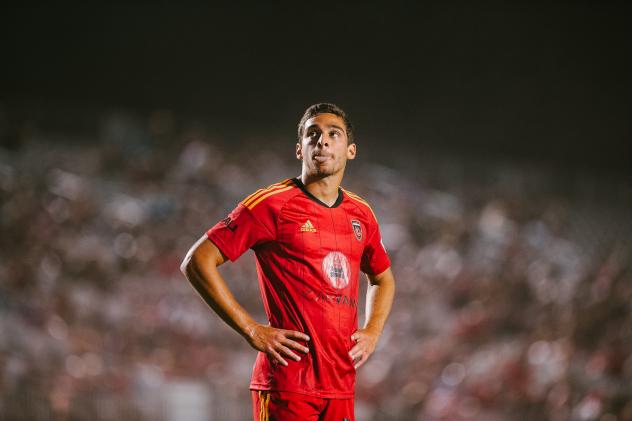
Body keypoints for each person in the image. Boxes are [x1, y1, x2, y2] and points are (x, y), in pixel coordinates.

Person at [181, 103, 396, 421]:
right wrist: (252, 330)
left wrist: (373, 330)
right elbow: (197, 261)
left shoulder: (361, 213)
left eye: (333, 134)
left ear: (350, 150)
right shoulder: (271, 204)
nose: (322, 140)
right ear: (300, 149)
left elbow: (382, 278)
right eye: (313, 134)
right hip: (287, 384)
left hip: (340, 385)